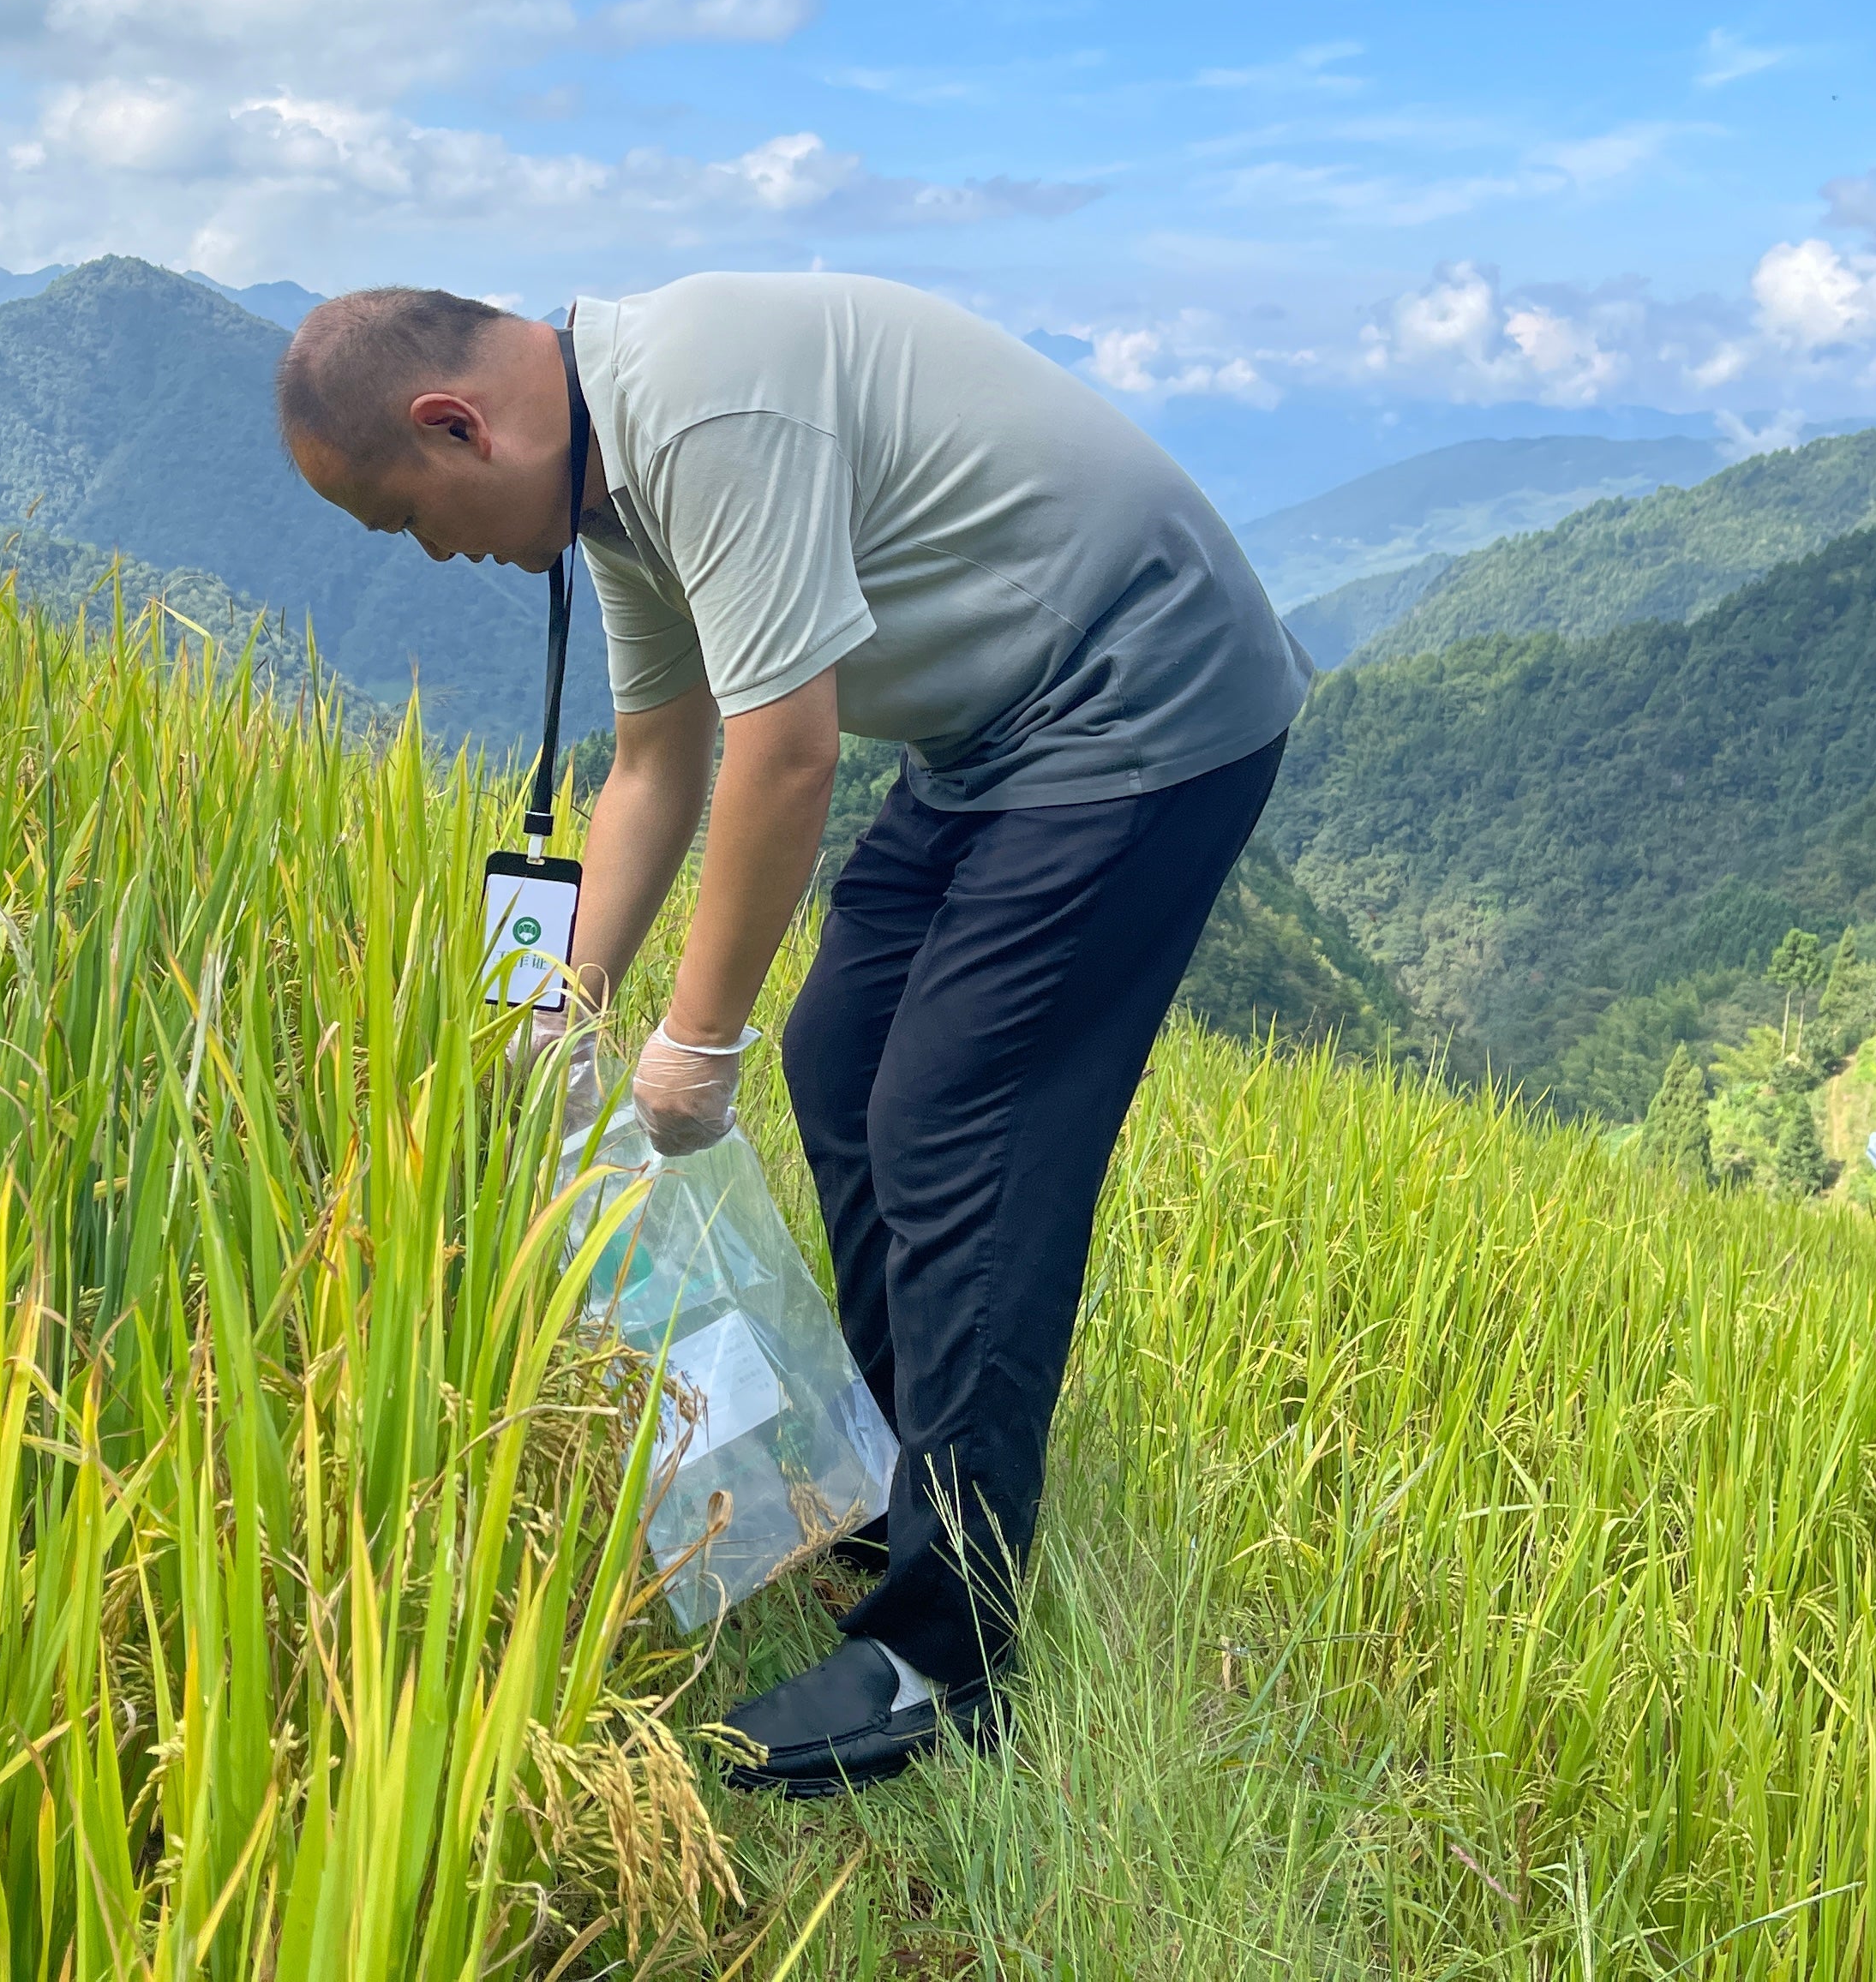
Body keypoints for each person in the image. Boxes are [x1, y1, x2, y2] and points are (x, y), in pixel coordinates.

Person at [273, 270, 1310, 1795]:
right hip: (993, 731)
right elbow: (654, 759)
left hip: (1136, 694)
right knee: (844, 1068)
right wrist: (570, 1000)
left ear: (457, 425)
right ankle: (916, 1488)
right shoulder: (609, 474)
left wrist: (696, 1042)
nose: (440, 553)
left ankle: (945, 1658)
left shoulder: (699, 409)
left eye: (410, 517)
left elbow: (786, 750)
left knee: (955, 1124)